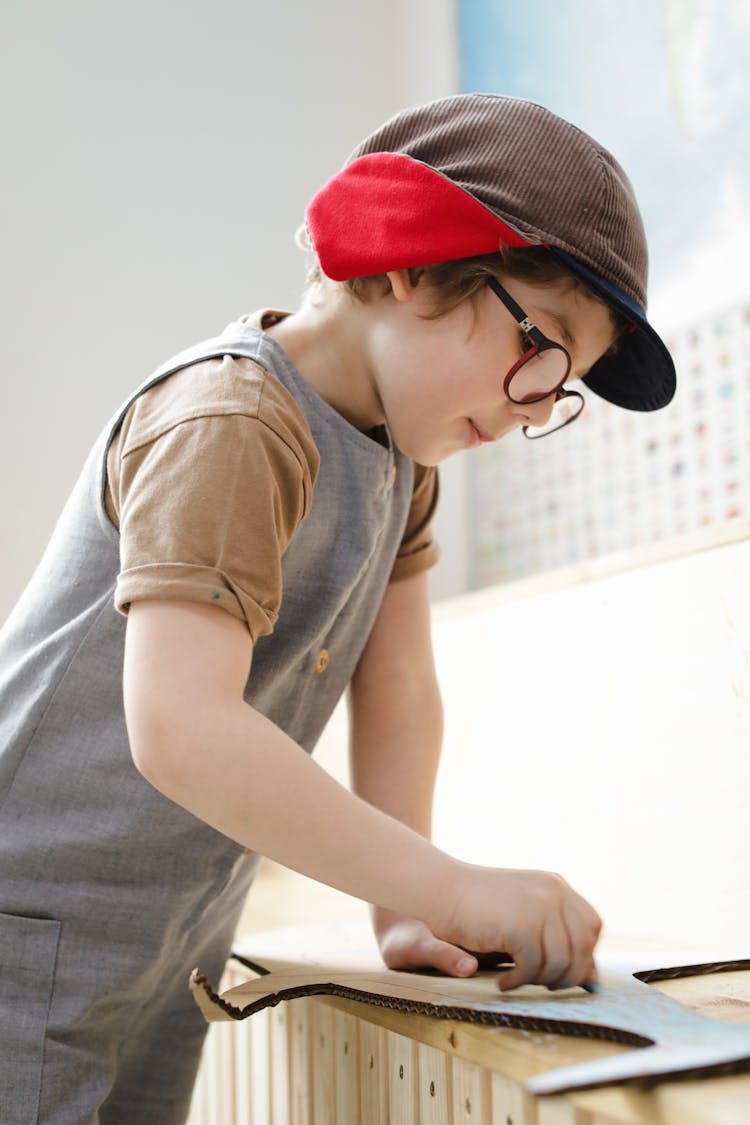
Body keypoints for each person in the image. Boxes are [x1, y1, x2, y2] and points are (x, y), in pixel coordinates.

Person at [0, 93, 675, 1124]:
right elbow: (179, 725)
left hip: (165, 938)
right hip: (23, 925)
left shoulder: (404, 467)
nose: (534, 405)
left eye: (562, 389)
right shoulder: (234, 422)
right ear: (412, 260)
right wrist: (455, 887)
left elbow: (400, 685)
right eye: (542, 350)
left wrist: (404, 909)